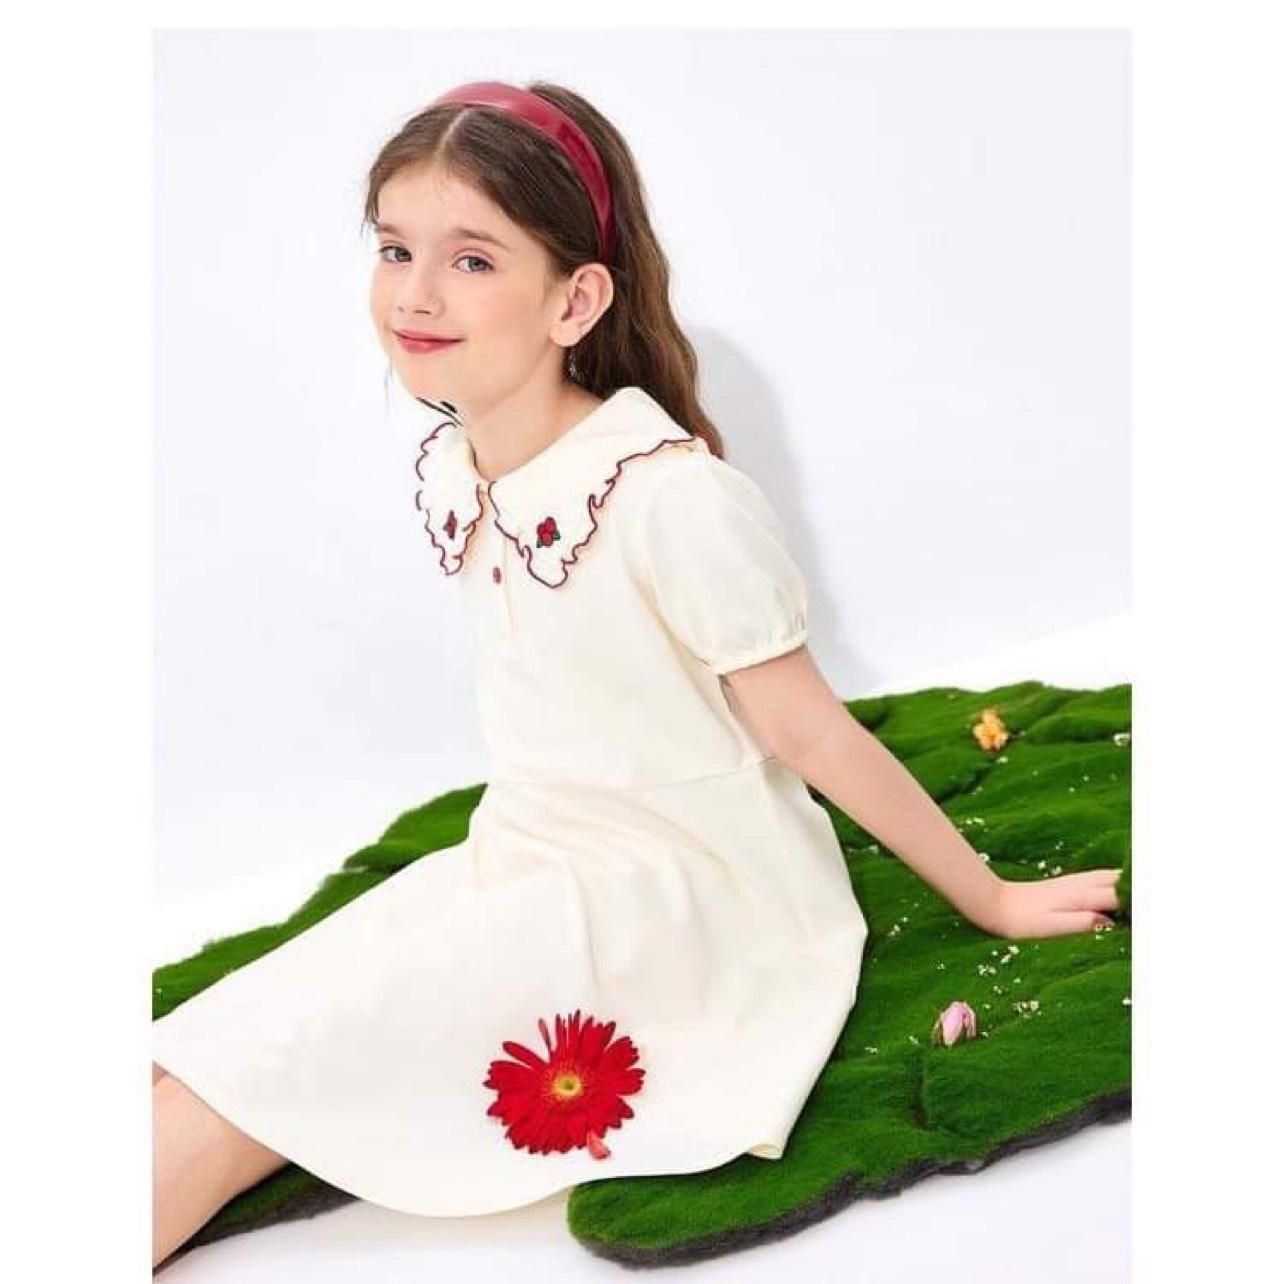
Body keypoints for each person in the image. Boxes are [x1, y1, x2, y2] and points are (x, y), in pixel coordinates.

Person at [152, 79, 1122, 1269]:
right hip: (525, 854)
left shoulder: (669, 499)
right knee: (199, 1050)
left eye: (471, 260)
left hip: (676, 902)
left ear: (576, 299)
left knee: (235, 1107)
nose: (414, 294)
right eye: (397, 248)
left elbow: (812, 734)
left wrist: (994, 899)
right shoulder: (462, 462)